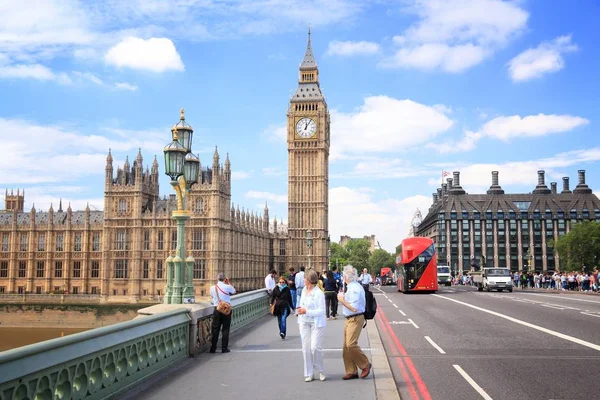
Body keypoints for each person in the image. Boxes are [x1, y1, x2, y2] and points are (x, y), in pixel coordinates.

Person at [337, 265, 371, 380]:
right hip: (349, 318)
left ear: (347, 277)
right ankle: (351, 371)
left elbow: (354, 308)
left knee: (351, 344)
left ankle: (365, 364)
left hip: (355, 318)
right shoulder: (350, 287)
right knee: (346, 347)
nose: (342, 278)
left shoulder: (355, 288)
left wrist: (342, 300)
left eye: (343, 276)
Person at [297, 269, 327, 382]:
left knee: (315, 348)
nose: (303, 280)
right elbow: (302, 304)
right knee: (306, 348)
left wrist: (307, 311)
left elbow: (321, 311)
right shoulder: (304, 290)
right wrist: (300, 311)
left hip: (316, 323)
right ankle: (309, 373)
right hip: (304, 322)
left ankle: (320, 370)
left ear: (309, 280)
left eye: (305, 278)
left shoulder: (318, 293)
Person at [209, 273, 236, 353]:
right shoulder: (227, 287)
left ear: (217, 279)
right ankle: (224, 348)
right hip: (226, 310)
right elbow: (234, 291)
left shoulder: (212, 287)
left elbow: (212, 296)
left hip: (217, 309)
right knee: (225, 329)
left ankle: (213, 348)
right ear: (225, 279)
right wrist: (228, 283)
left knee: (215, 329)